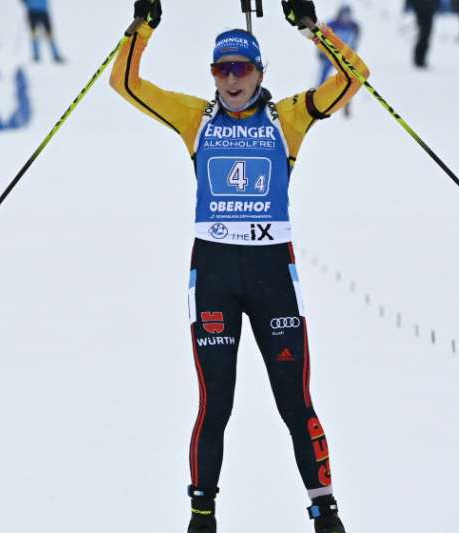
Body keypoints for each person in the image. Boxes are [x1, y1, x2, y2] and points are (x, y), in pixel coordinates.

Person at [109, 1, 368, 531]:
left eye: (241, 68)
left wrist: (312, 30)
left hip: (274, 275)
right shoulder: (193, 117)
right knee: (215, 404)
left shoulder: (289, 116)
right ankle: (201, 513)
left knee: (295, 402)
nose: (231, 80)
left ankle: (325, 511)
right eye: (221, 69)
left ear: (259, 73)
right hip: (215, 276)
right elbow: (126, 83)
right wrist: (143, 28)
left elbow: (354, 77)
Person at [316, 4, 359, 116]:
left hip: (344, 57)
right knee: (323, 77)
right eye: (344, 16)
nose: (346, 18)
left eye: (348, 16)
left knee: (350, 79)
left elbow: (355, 40)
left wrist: (352, 52)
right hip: (330, 56)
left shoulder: (354, 26)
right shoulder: (332, 24)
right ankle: (318, 99)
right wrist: (321, 52)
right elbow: (320, 37)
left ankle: (347, 102)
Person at [408, 0, 435, 68]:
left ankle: (420, 59)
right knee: (424, 34)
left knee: (426, 34)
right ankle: (419, 60)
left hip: (428, 9)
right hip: (421, 8)